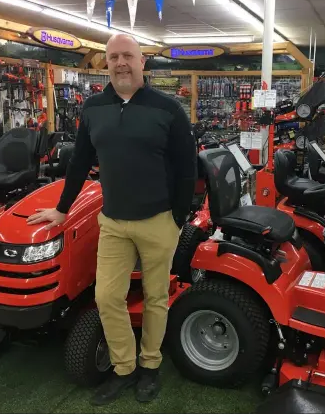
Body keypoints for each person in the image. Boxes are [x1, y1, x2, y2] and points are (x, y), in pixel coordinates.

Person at [26, 33, 197, 405]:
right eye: (114, 57)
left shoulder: (169, 110)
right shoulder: (93, 108)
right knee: (106, 297)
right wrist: (62, 208)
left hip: (159, 221)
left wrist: (178, 218)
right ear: (107, 62)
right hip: (113, 222)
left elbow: (188, 168)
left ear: (142, 62)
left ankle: (150, 366)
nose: (121, 63)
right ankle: (125, 368)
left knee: (155, 297)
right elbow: (79, 162)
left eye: (128, 56)